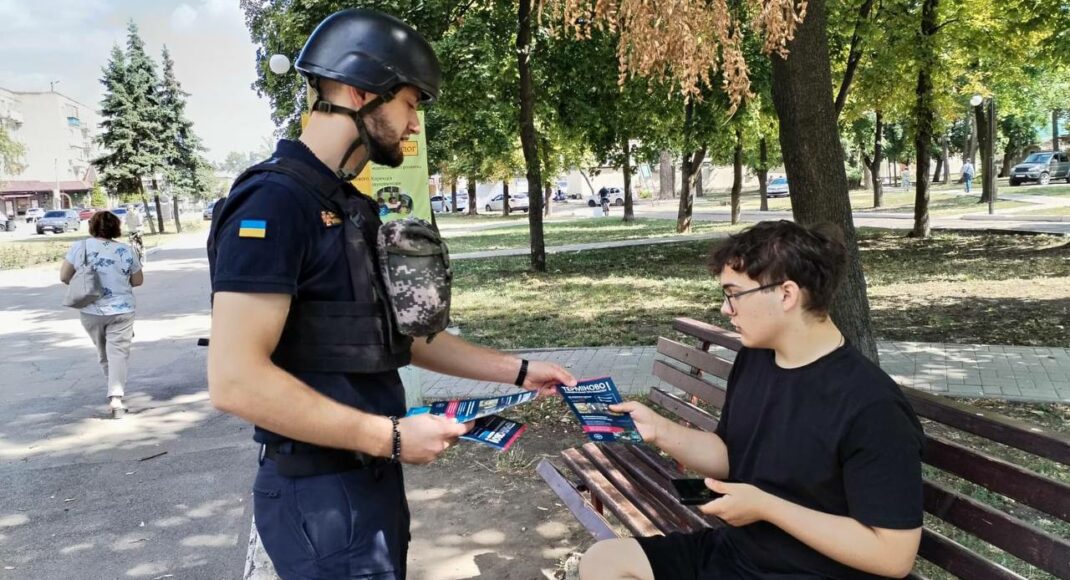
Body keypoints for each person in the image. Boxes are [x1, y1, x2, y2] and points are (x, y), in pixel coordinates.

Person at [205, 9, 576, 579]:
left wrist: (522, 372)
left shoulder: (349, 206)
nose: (415, 124)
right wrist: (392, 436)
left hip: (366, 479)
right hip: (320, 494)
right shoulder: (273, 204)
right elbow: (235, 380)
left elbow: (405, 337)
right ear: (358, 92)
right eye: (410, 103)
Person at [579, 220, 925, 580]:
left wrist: (766, 507)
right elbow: (730, 455)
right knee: (603, 562)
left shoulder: (872, 406)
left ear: (786, 294)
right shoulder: (757, 357)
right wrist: (659, 430)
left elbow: (892, 556)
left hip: (809, 573)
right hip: (737, 555)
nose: (726, 310)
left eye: (734, 294)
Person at [60, 211, 144, 417]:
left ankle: (114, 390)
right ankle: (116, 398)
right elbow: (138, 281)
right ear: (116, 228)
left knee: (104, 353)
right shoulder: (126, 251)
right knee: (118, 353)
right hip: (122, 310)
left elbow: (64, 276)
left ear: (92, 227)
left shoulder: (79, 247)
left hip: (91, 309)